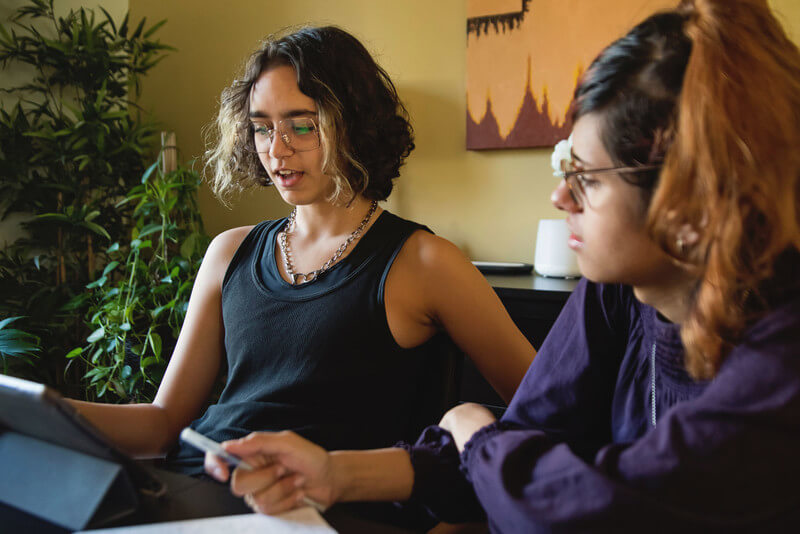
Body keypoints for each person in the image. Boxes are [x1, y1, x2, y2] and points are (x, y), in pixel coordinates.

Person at [212, 0, 800, 530]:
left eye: (585, 179)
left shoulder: (782, 357)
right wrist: (334, 473)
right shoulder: (621, 291)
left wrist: (474, 428)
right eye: (563, 167)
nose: (560, 199)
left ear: (690, 204)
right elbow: (524, 436)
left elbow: (582, 507)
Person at [67, 26, 534, 476]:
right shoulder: (229, 252)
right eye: (262, 128)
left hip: (322, 510)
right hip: (196, 490)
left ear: (354, 125)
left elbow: (546, 402)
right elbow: (162, 425)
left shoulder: (425, 263)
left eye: (302, 127)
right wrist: (43, 411)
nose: (277, 150)